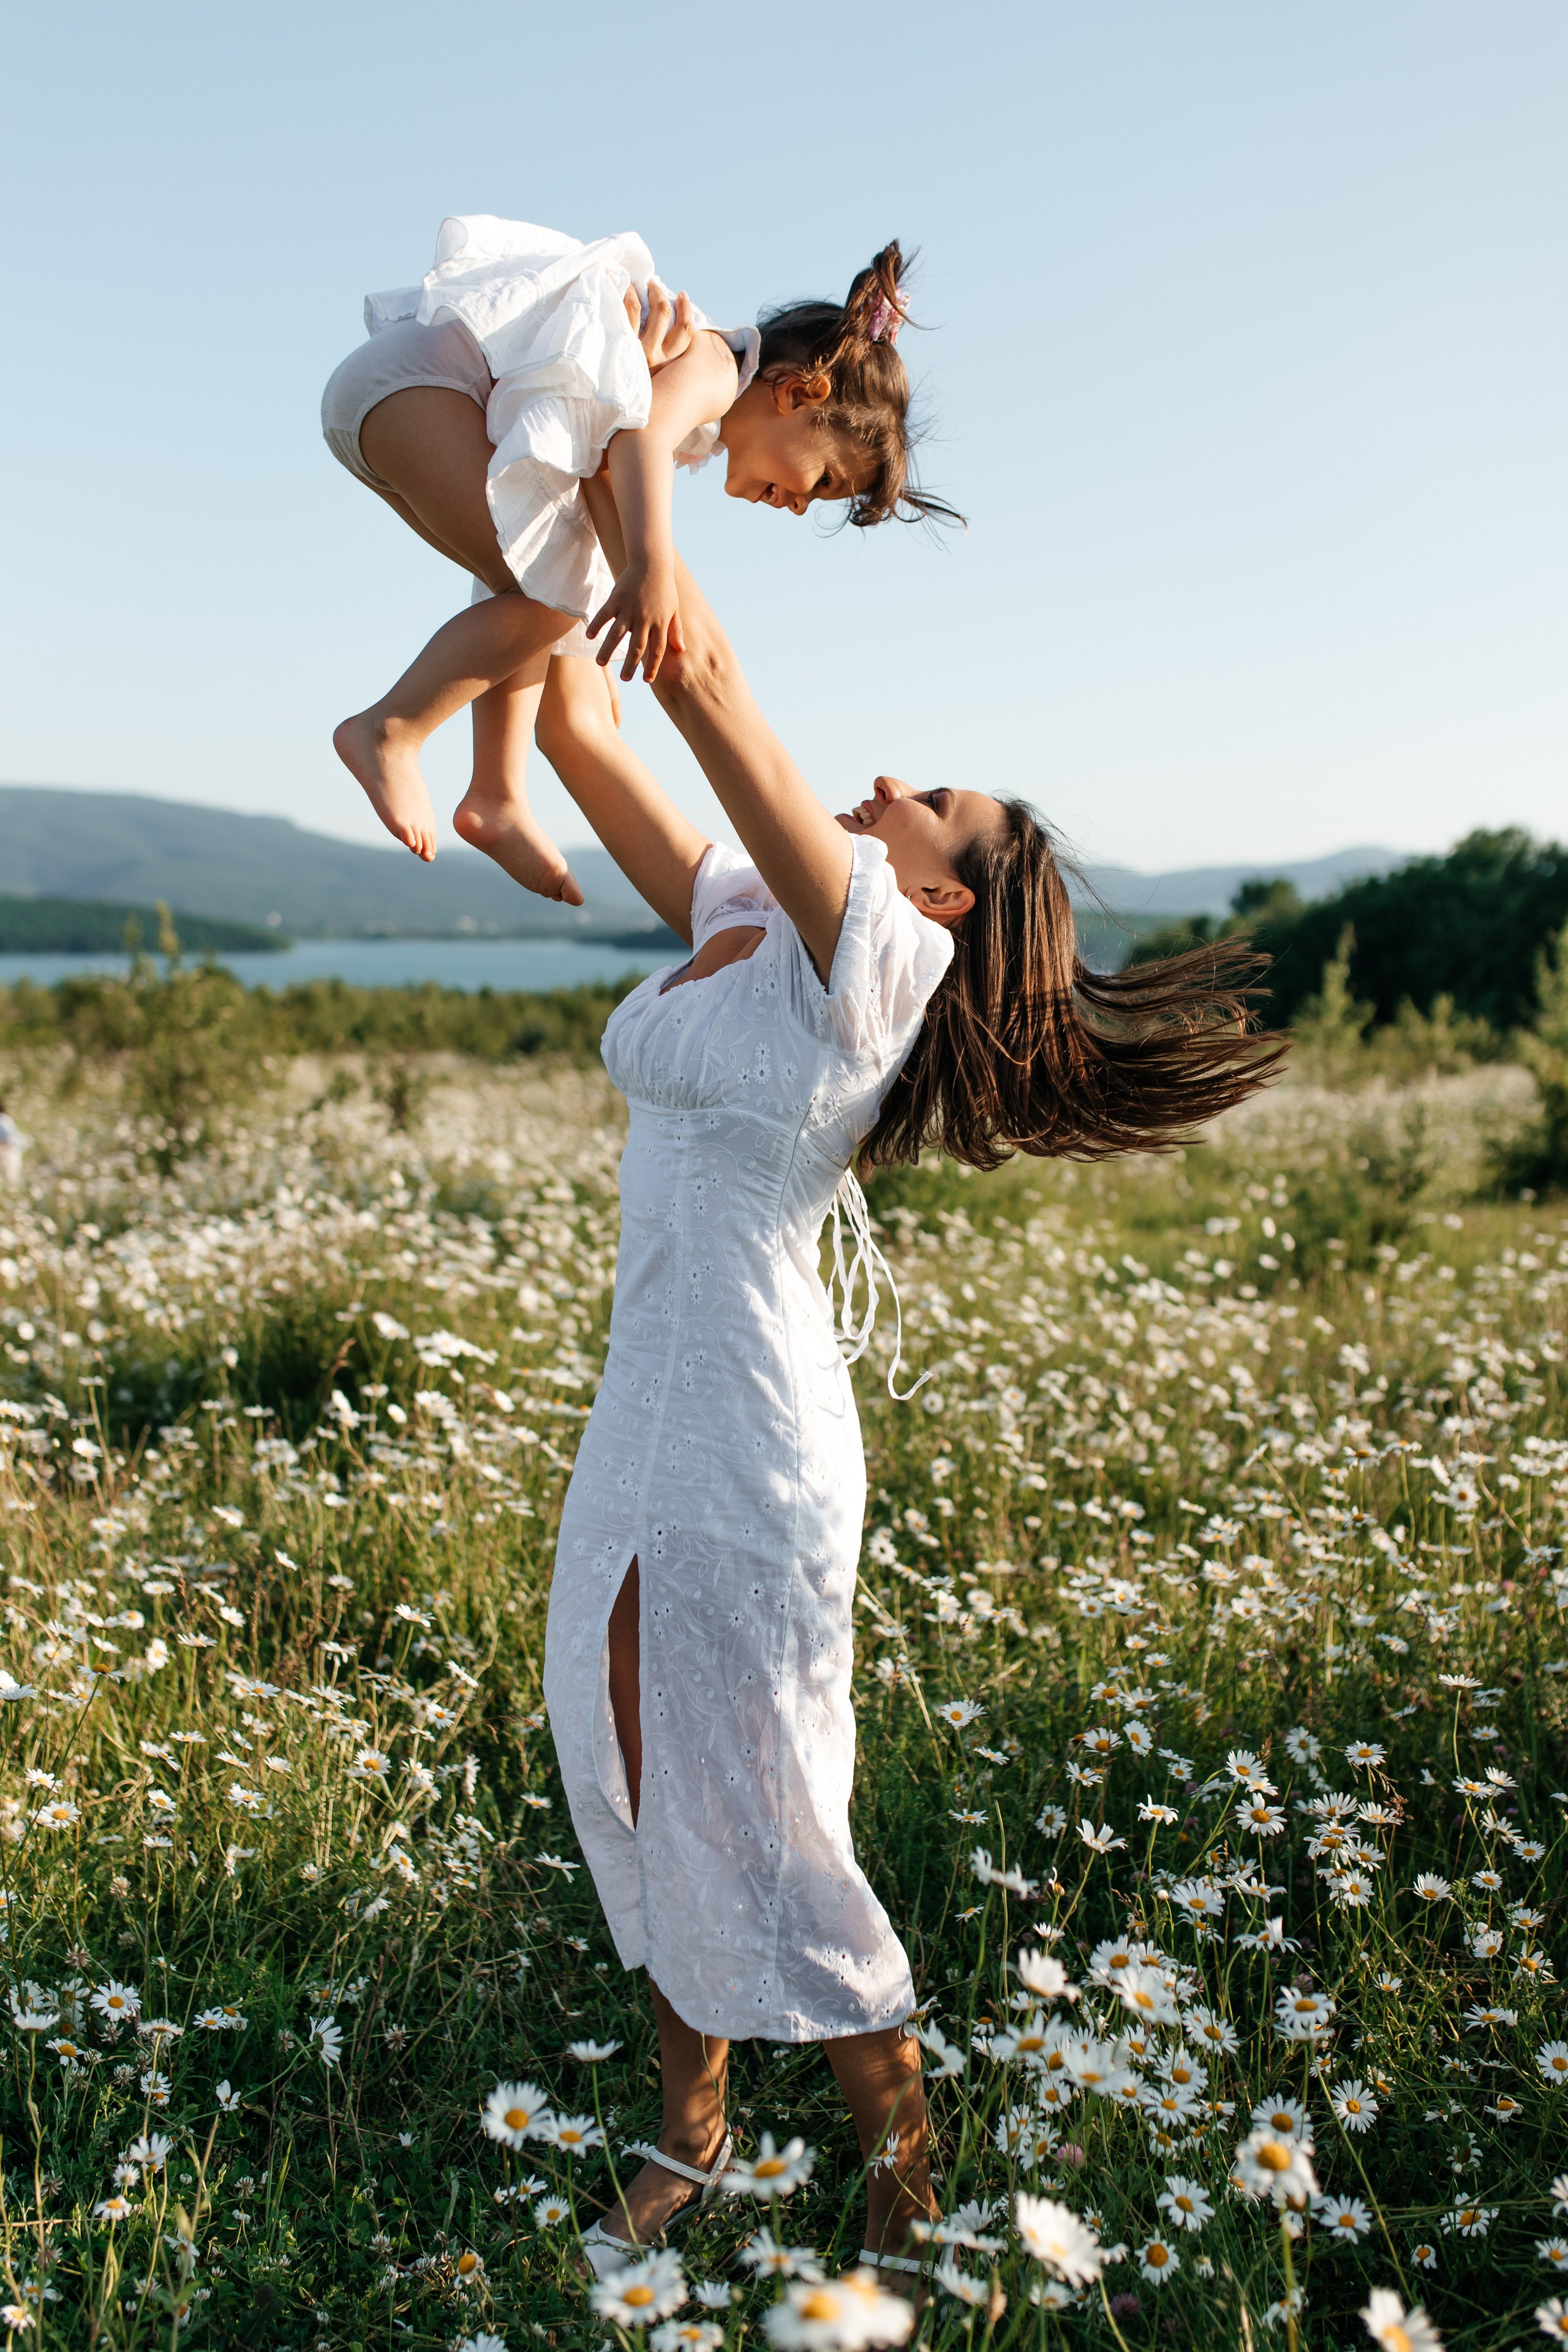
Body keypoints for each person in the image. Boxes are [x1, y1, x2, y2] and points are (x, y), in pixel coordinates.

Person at [311, 386, 1280, 2290]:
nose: (899, 778)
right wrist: (533, 531)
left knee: (764, 1796)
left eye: (940, 802)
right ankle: (690, 2128)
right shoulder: (753, 907)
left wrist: (639, 489)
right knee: (629, 1748)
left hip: (753, 1428)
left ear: (947, 892)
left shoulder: (879, 963)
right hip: (645, 1405)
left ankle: (902, 2169)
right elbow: (584, 717)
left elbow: (693, 670)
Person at [322, 216, 950, 903]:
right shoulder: (715, 364)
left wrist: (588, 645)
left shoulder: (702, 389)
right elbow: (638, 436)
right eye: (824, 481)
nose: (801, 506)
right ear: (799, 393)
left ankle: (496, 795)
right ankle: (392, 729)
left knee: (534, 580)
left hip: (392, 397)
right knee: (556, 586)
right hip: (418, 388)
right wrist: (647, 569)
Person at [0, 1102, 27, 1190]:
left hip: (9, 1154)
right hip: (10, 1154)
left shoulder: (2, 1120)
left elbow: (11, 1140)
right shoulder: (5, 1119)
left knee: (11, 1183)